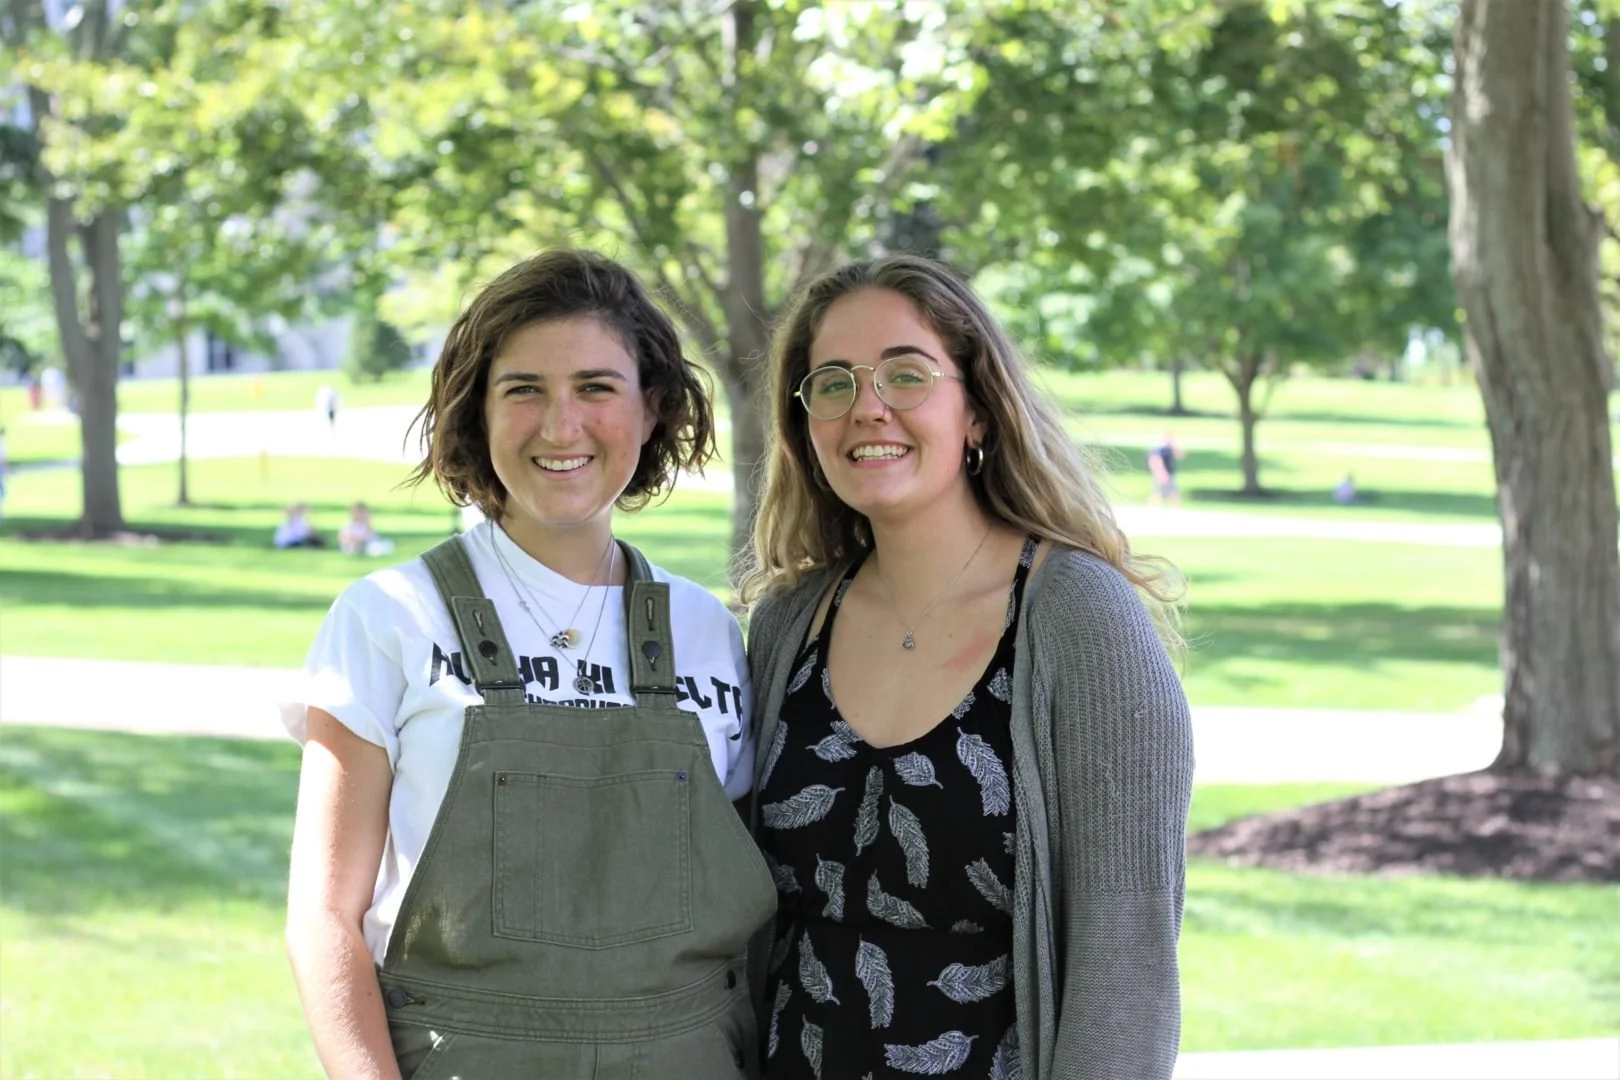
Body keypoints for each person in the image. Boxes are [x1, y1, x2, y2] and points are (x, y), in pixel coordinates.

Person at [283, 250, 774, 1078]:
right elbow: (324, 917)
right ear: (478, 410)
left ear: (650, 409)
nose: (561, 425)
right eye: (524, 390)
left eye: (596, 387)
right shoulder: (385, 620)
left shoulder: (707, 631)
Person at [737, 255, 1193, 1080]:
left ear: (977, 410)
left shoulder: (1077, 617)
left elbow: (1126, 948)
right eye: (832, 382)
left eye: (904, 374)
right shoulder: (789, 626)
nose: (866, 407)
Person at [1146, 431, 1184, 505]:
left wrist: (1175, 445)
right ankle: (1150, 508)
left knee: (1172, 494)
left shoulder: (1169, 448)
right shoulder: (1159, 448)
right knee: (1159, 494)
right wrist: (1161, 473)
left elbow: (1181, 456)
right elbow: (1154, 461)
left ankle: (1174, 510)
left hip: (1170, 474)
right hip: (1163, 474)